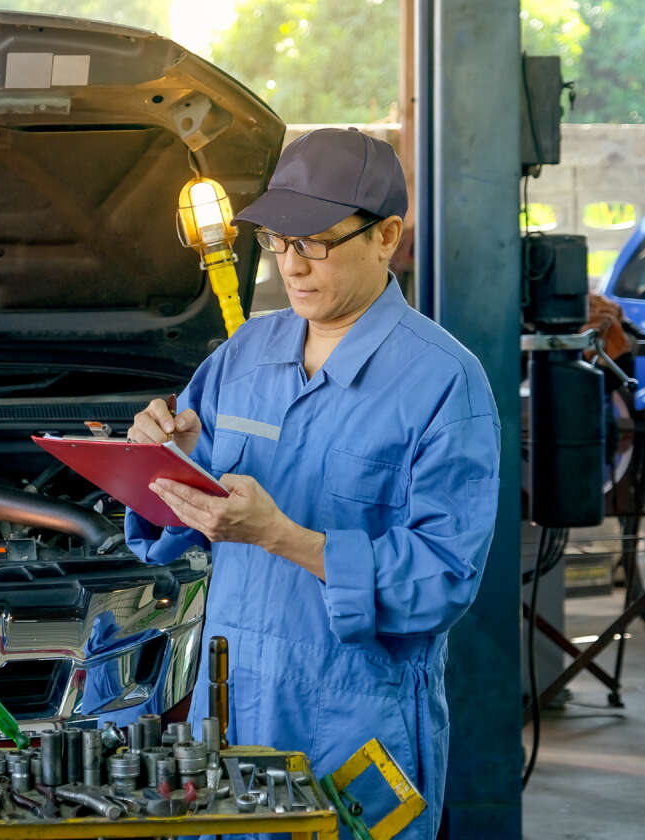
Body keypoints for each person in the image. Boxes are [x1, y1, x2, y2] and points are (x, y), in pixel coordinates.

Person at [125, 127, 500, 839]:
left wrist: (282, 537)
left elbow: (443, 577)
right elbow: (181, 520)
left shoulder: (443, 382)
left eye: (315, 242)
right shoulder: (244, 353)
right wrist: (161, 460)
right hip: (232, 703)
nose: (291, 267)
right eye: (275, 243)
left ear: (387, 235)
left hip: (357, 719)